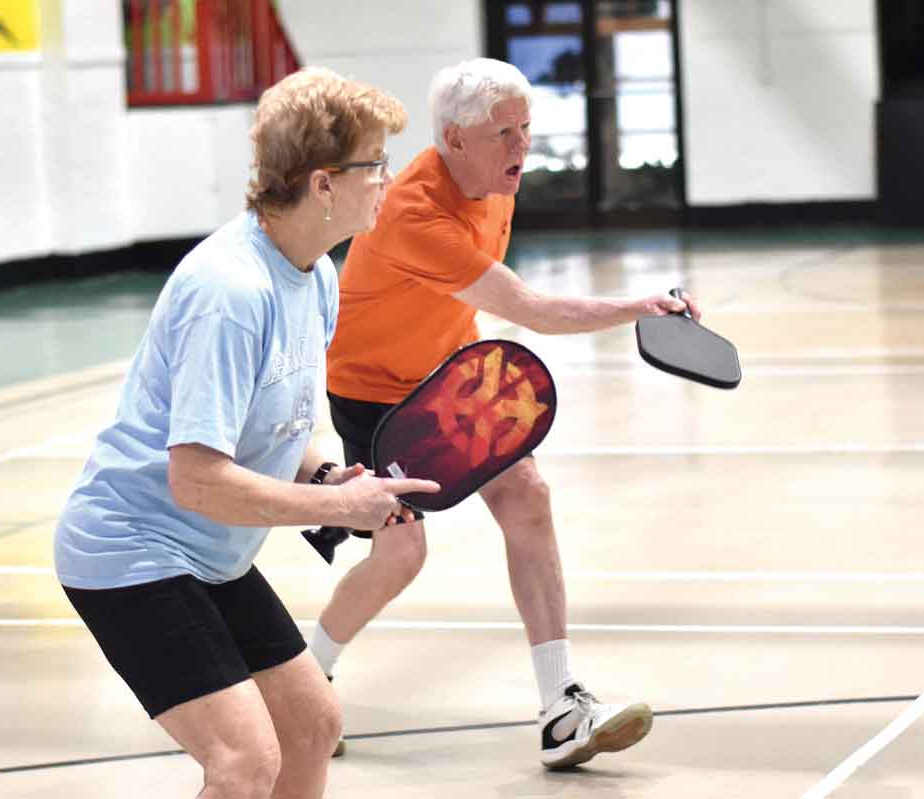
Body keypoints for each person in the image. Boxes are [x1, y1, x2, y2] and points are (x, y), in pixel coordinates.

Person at [53, 67, 438, 799]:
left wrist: (330, 477)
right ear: (323, 184)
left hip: (205, 553)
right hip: (131, 551)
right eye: (374, 165)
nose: (387, 179)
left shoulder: (315, 272)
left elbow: (282, 427)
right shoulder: (231, 292)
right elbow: (196, 479)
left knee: (312, 725)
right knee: (244, 761)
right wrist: (335, 511)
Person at [312, 58, 701, 769]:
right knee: (401, 552)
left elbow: (483, 302)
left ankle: (561, 709)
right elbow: (528, 307)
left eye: (526, 128)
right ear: (455, 139)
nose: (521, 146)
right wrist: (635, 307)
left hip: (451, 369)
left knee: (528, 494)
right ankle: (303, 680)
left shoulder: (494, 184)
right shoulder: (412, 211)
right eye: (503, 133)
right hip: (376, 388)